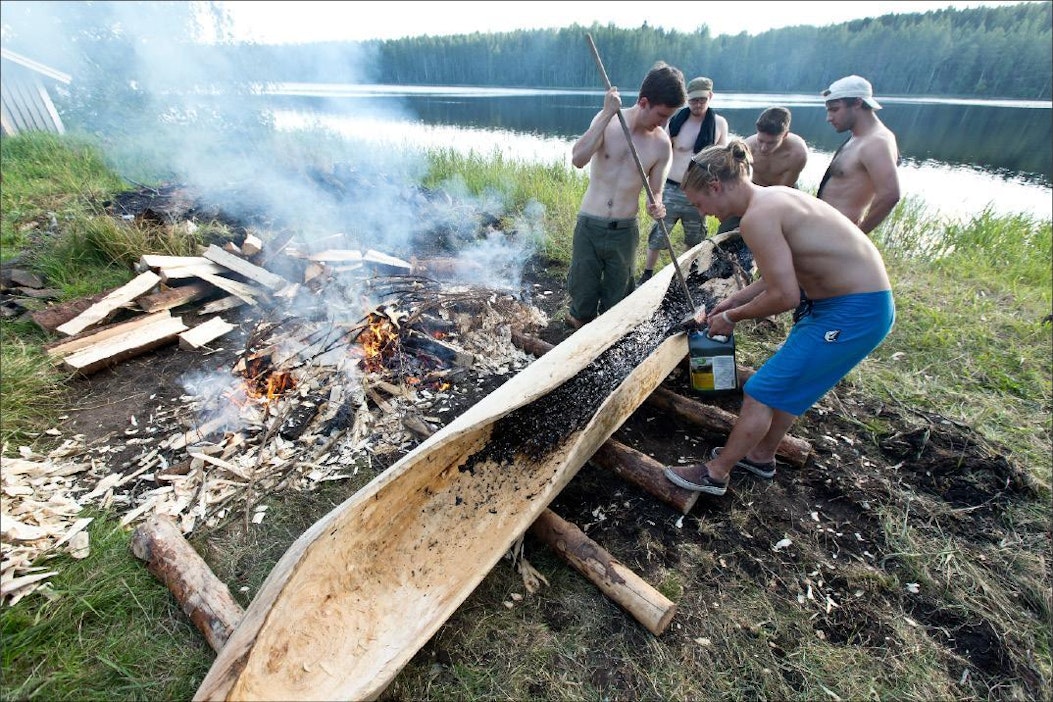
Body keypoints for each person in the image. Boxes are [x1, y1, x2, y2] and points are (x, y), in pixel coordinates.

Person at [663, 140, 895, 496]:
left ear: (715, 186)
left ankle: (716, 473)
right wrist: (723, 308)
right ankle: (760, 456)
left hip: (854, 312)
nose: (704, 213)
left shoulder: (758, 217)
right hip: (843, 306)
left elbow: (783, 297)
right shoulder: (774, 197)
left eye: (700, 204)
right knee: (785, 388)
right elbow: (771, 279)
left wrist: (732, 318)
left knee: (759, 391)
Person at [564, 62, 687, 329]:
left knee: (617, 301)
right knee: (582, 298)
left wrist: (657, 206)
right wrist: (607, 113)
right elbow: (578, 159)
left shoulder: (661, 144)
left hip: (624, 231)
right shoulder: (608, 122)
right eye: (662, 115)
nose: (665, 123)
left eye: (670, 117)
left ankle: (605, 345)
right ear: (644, 102)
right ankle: (577, 333)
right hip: (589, 224)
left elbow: (656, 193)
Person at [638, 76, 727, 285]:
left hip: (699, 192)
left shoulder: (719, 124)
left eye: (702, 100)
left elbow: (722, 160)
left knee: (694, 237)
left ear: (710, 97)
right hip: (672, 187)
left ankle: (683, 277)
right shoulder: (676, 120)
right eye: (693, 100)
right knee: (659, 233)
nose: (697, 105)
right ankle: (647, 274)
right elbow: (660, 151)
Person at [716, 106, 810, 270]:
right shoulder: (747, 147)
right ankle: (719, 264)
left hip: (782, 194)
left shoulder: (798, 153)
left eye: (771, 143)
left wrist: (759, 219)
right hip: (751, 192)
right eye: (761, 141)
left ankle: (763, 268)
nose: (764, 148)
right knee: (725, 234)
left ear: (785, 135)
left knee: (773, 237)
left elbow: (783, 191)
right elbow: (736, 184)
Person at [818, 74, 901, 235]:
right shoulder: (858, 137)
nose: (829, 118)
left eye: (835, 109)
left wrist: (857, 236)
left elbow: (890, 194)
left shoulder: (877, 142)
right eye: (828, 110)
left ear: (857, 102)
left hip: (840, 237)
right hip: (825, 233)